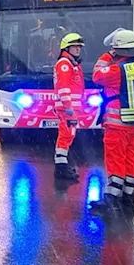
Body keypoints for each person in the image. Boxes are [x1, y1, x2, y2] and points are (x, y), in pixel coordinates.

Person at [91, 30, 134, 213]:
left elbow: (96, 75)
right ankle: (128, 195)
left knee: (115, 158)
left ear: (118, 50)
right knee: (131, 158)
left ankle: (111, 198)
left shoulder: (117, 69)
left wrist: (106, 56)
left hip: (118, 122)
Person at [53, 33, 85, 181]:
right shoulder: (65, 64)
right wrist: (68, 108)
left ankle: (62, 166)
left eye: (79, 47)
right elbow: (63, 88)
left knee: (67, 136)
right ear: (66, 47)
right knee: (65, 136)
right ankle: (60, 169)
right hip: (68, 109)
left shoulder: (72, 63)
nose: (78, 49)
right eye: (74, 46)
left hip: (71, 108)